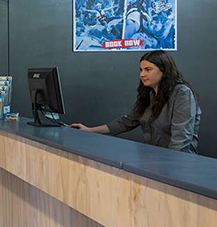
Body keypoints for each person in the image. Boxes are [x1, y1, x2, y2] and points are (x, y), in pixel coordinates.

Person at [70, 50, 202, 153]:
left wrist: (168, 168)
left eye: (148, 69)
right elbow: (126, 122)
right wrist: (90, 130)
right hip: (154, 160)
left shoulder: (182, 93)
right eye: (141, 70)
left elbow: (181, 139)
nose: (142, 74)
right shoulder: (149, 94)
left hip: (176, 164)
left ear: (164, 70)